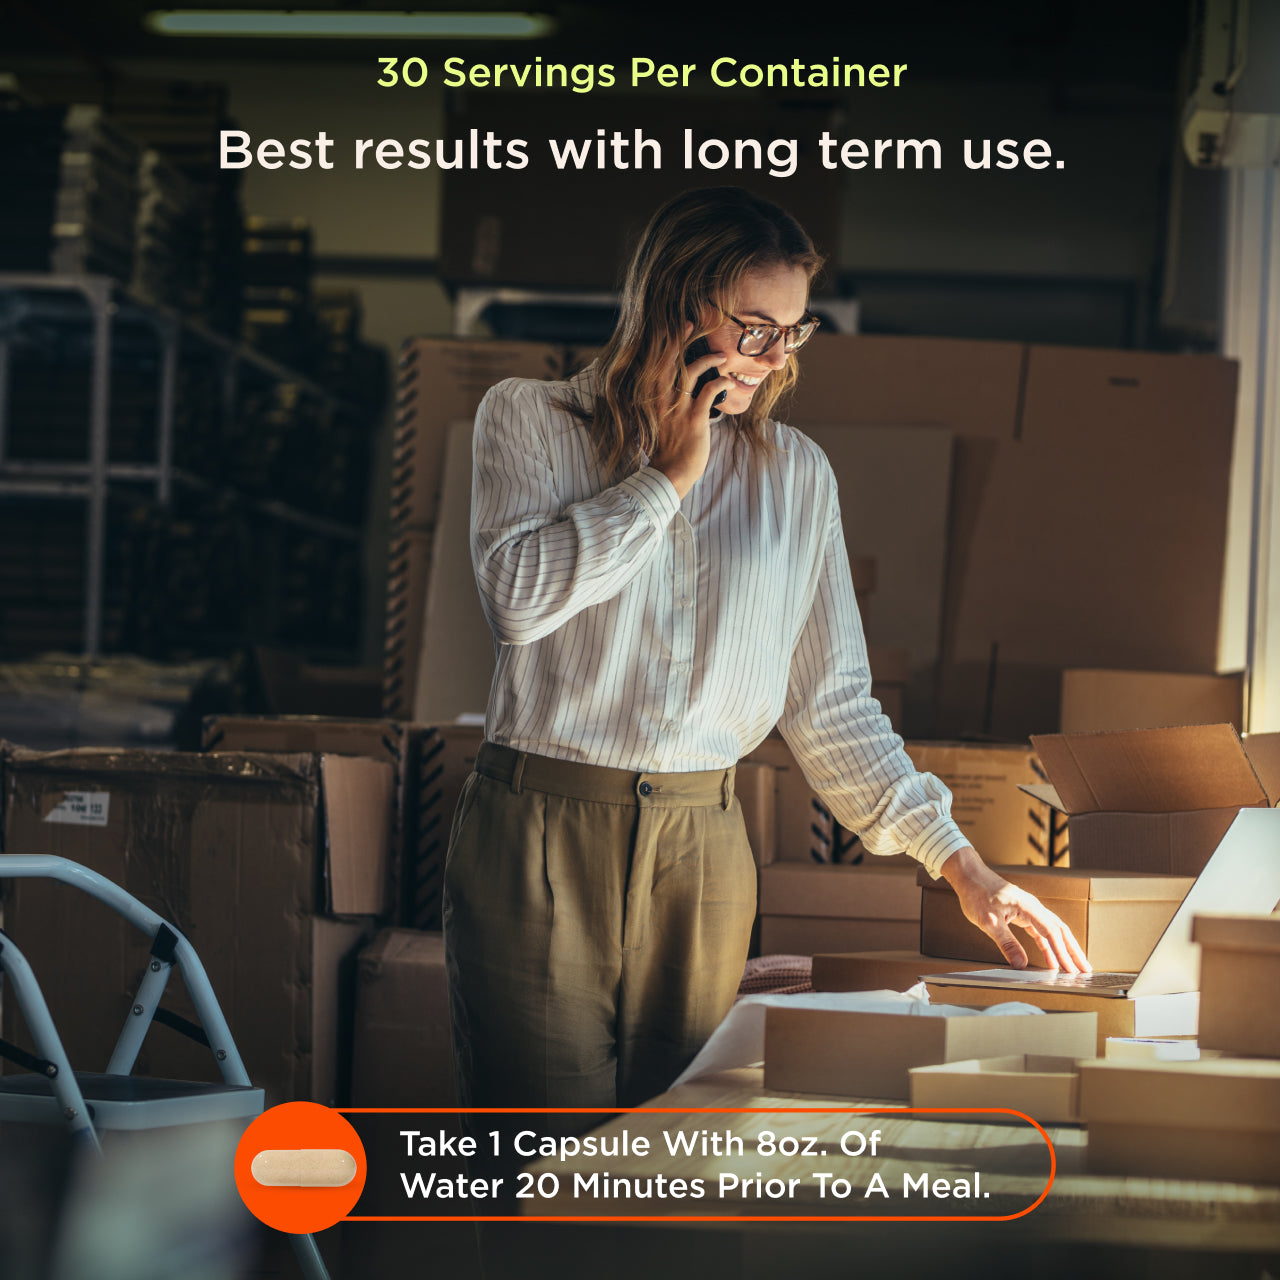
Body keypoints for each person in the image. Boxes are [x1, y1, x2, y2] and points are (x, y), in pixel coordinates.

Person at [443, 185, 1089, 1118]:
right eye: (753, 327)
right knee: (540, 1152)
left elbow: (832, 707)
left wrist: (966, 870)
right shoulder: (534, 419)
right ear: (676, 300)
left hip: (703, 849)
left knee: (674, 1148)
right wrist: (667, 477)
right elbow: (517, 602)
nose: (773, 357)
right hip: (540, 829)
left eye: (791, 331)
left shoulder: (796, 478)